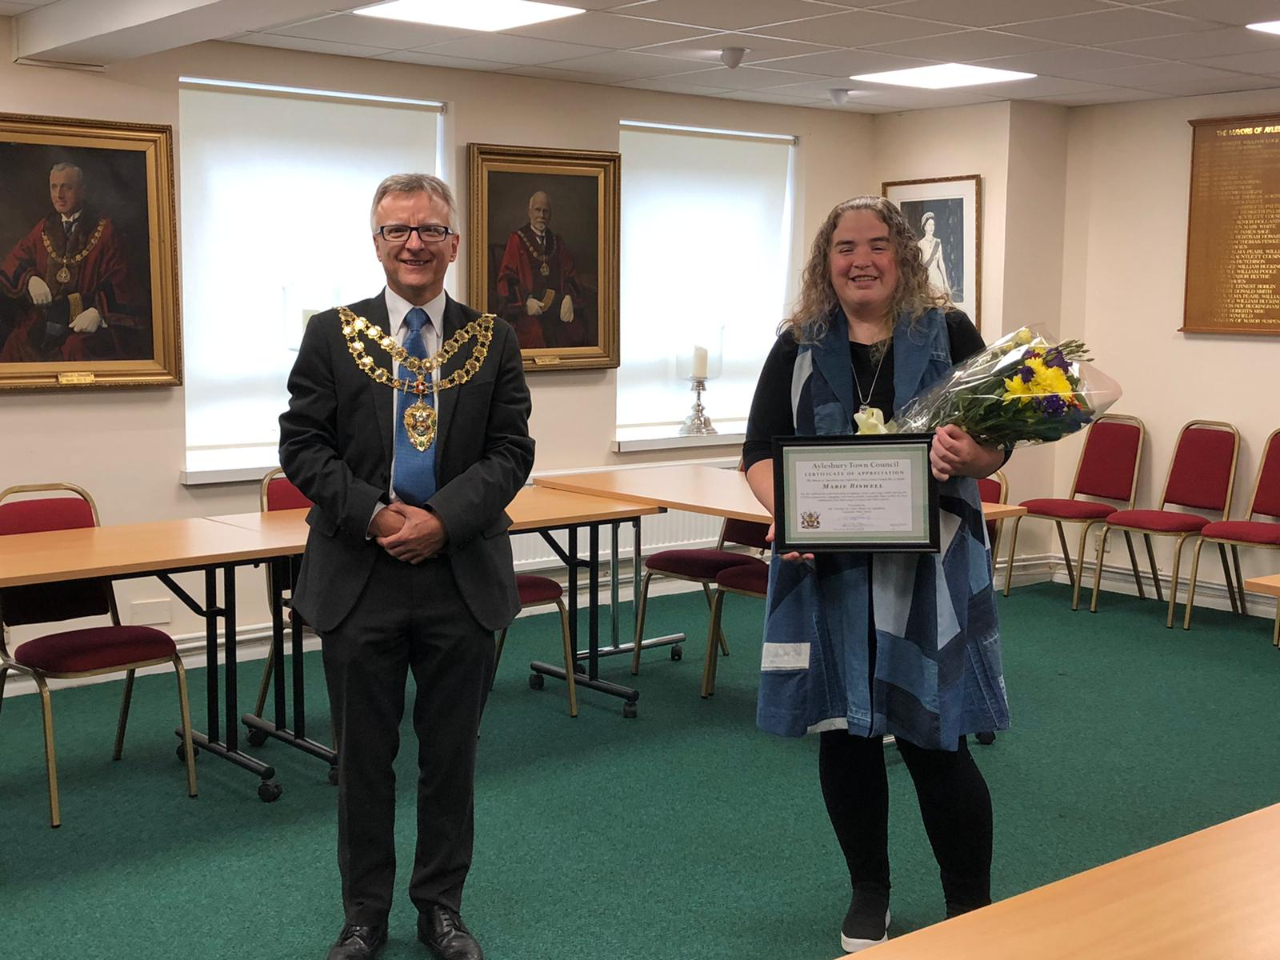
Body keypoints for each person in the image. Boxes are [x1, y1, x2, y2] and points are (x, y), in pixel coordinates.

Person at [743, 196, 1009, 954]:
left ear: (903, 256)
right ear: (826, 262)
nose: (860, 260)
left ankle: (972, 907)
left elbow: (998, 444)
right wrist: (785, 510)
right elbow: (760, 452)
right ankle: (870, 891)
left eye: (876, 246)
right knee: (845, 733)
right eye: (844, 248)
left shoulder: (949, 332)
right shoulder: (797, 344)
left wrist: (972, 458)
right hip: (828, 572)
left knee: (937, 738)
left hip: (929, 573)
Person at [279, 173, 534, 960]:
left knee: (449, 759)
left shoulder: (492, 339)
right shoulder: (332, 333)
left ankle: (441, 909)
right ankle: (363, 916)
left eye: (429, 229)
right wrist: (377, 513)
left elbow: (511, 451)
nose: (414, 243)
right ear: (377, 243)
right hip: (361, 578)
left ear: (454, 242)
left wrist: (441, 520)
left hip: (460, 575)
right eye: (397, 231)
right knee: (363, 761)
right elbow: (302, 447)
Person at [0, 162, 144, 362]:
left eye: (66, 187)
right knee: (15, 343)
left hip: (85, 323)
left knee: (75, 349)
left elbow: (122, 280)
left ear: (82, 191)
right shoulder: (44, 227)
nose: (59, 195)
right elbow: (13, 261)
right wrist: (30, 279)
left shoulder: (105, 231)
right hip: (47, 320)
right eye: (54, 187)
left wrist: (98, 312)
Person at [495, 190, 587, 350]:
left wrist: (568, 298)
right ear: (529, 212)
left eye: (546, 211)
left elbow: (571, 274)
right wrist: (525, 302)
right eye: (537, 210)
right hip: (529, 310)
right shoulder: (517, 240)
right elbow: (506, 278)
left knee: (575, 331)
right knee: (535, 334)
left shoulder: (557, 242)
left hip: (556, 306)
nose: (541, 215)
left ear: (550, 215)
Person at [916, 211, 951, 299]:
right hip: (927, 280)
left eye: (933, 225)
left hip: (937, 278)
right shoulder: (920, 244)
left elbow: (941, 263)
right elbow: (919, 266)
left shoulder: (938, 243)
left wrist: (945, 282)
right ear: (924, 227)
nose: (931, 227)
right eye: (929, 225)